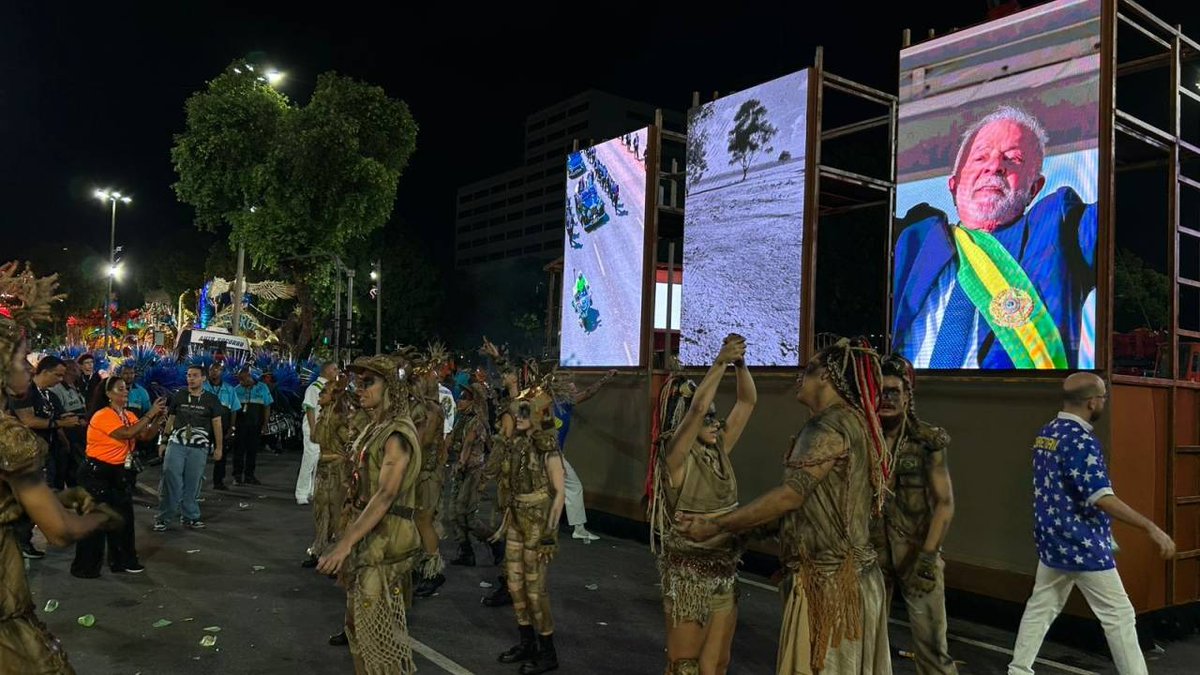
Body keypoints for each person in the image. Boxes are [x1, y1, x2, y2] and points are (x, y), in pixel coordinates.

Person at [678, 337, 892, 674]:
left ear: (827, 377)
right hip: (852, 580)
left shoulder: (826, 427)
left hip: (830, 586)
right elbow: (805, 508)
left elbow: (790, 496)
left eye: (808, 370)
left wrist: (717, 526)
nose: (799, 378)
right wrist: (739, 532)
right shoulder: (854, 423)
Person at [892, 105, 1097, 369]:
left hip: (1009, 404)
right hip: (904, 401)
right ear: (954, 185)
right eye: (980, 158)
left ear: (1034, 188)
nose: (994, 167)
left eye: (1013, 159)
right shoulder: (915, 238)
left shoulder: (1059, 226)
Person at [1007, 373, 1175, 675]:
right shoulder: (1081, 441)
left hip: (1052, 540)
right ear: (1092, 402)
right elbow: (1100, 497)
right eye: (1103, 398)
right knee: (1119, 615)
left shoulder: (1047, 433)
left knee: (1041, 607)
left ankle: (1018, 670)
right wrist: (1150, 527)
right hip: (1082, 546)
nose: (1104, 404)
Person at [0, 262, 122, 672]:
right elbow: (59, 531)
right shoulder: (9, 438)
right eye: (21, 360)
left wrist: (58, 496)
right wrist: (104, 516)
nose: (27, 369)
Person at [649, 335, 755, 675]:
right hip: (689, 577)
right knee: (685, 666)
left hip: (723, 572)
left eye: (715, 417)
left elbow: (747, 402)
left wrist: (740, 365)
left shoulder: (719, 448)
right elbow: (696, 408)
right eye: (707, 419)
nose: (714, 422)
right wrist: (720, 361)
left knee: (717, 664)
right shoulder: (676, 458)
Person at [316, 355, 422, 675]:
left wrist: (345, 543)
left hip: (386, 542)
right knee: (357, 627)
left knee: (378, 636)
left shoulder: (397, 434)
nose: (359, 389)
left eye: (368, 383)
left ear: (389, 388)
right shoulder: (376, 427)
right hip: (369, 537)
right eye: (357, 383)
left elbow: (386, 494)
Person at [875, 355, 958, 675]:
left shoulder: (927, 441)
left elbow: (945, 503)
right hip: (874, 554)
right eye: (880, 391)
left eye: (894, 391)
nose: (887, 398)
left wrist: (927, 557)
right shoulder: (863, 439)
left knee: (932, 648)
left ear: (908, 396)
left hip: (917, 553)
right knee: (868, 643)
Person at [484, 374, 566, 674]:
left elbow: (559, 493)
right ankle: (526, 641)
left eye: (523, 411)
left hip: (536, 522)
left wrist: (549, 533)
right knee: (515, 585)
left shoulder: (547, 449)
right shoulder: (516, 444)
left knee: (535, 590)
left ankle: (547, 651)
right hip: (517, 519)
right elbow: (500, 476)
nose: (516, 416)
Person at [71, 376, 166, 578]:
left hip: (119, 474)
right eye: (120, 389)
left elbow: (144, 436)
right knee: (95, 523)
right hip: (96, 474)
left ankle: (123, 561)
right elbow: (126, 434)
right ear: (108, 394)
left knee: (123, 520)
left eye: (126, 389)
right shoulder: (103, 415)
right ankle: (86, 567)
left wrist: (158, 419)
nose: (126, 392)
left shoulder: (127, 414)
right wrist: (150, 414)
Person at [155, 365, 224, 531]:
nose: (190, 379)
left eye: (194, 376)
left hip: (199, 447)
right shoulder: (179, 396)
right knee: (171, 481)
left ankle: (190, 517)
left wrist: (219, 448)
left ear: (203, 378)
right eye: (188, 375)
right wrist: (163, 441)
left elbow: (217, 424)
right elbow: (170, 420)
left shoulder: (211, 399)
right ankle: (163, 518)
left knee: (193, 483)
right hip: (176, 444)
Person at [554, 368, 617, 542]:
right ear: (561, 389)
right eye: (571, 387)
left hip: (553, 457)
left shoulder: (565, 403)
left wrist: (605, 378)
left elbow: (588, 393)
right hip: (549, 456)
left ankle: (575, 528)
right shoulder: (549, 405)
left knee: (566, 488)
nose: (575, 390)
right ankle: (577, 529)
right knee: (572, 487)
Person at [407, 345, 449, 598]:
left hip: (428, 473)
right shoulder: (422, 407)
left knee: (423, 520)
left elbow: (421, 441)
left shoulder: (432, 410)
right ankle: (420, 566)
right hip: (420, 471)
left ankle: (434, 571)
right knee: (416, 520)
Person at [11, 355, 80, 492]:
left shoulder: (50, 395)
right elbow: (28, 420)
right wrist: (60, 423)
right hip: (31, 454)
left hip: (53, 451)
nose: (60, 380)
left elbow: (60, 418)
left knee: (55, 489)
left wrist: (65, 434)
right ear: (44, 372)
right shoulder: (25, 392)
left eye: (62, 376)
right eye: (57, 375)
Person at [297, 362, 338, 506]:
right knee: (310, 459)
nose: (337, 372)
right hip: (313, 427)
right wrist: (314, 430)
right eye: (334, 369)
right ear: (326, 371)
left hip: (325, 428)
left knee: (320, 460)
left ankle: (313, 491)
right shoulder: (314, 388)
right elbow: (309, 408)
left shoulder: (332, 388)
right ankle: (302, 492)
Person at [231, 366, 272, 486]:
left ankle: (249, 475)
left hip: (255, 425)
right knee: (238, 451)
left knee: (252, 451)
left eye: (243, 379)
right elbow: (233, 409)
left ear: (250, 377)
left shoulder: (262, 388)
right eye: (239, 379)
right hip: (240, 425)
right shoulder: (236, 390)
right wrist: (232, 426)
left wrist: (265, 424)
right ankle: (237, 476)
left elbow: (267, 407)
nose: (241, 382)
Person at [204, 362, 240, 491]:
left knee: (221, 454)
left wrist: (232, 427)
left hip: (223, 426)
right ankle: (195, 480)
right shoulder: (203, 387)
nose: (214, 372)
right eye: (212, 370)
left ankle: (218, 481)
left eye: (217, 370)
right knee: (200, 453)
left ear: (221, 372)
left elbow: (234, 409)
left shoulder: (229, 389)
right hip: (205, 425)